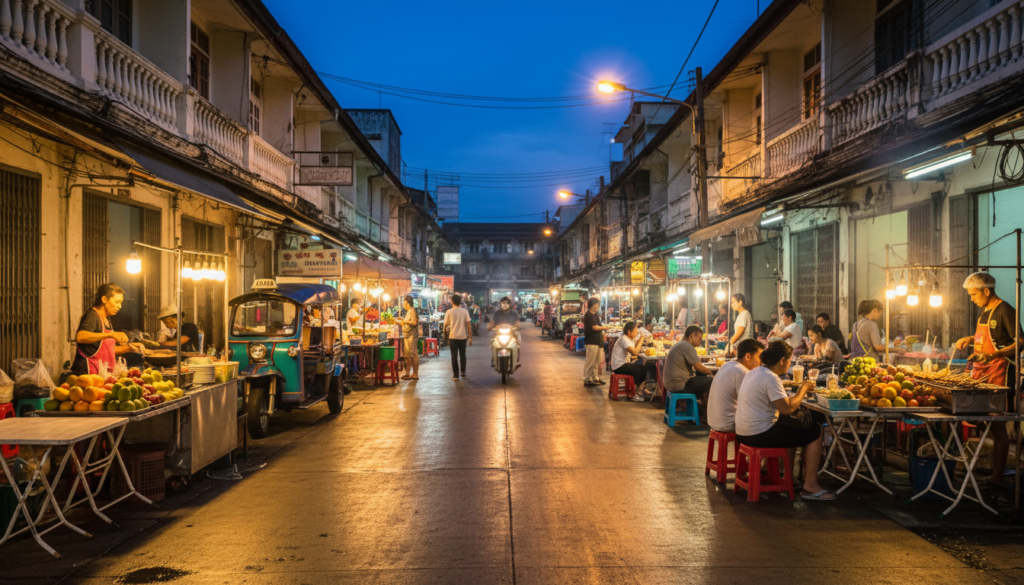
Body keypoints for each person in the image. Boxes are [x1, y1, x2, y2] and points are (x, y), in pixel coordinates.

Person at [735, 341, 833, 500]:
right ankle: (811, 485)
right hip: (758, 434)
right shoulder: (770, 378)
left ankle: (786, 477)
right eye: (790, 360)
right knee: (815, 431)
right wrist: (804, 388)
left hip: (743, 432)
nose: (790, 364)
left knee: (791, 427)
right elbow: (787, 409)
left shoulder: (755, 372)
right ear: (782, 360)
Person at [954, 272, 1023, 488]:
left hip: (1000, 377)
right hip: (982, 375)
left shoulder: (1005, 311)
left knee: (997, 426)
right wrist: (969, 338)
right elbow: (987, 339)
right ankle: (992, 471)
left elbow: (1020, 342)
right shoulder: (985, 311)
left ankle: (997, 476)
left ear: (986, 291)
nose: (971, 298)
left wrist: (994, 355)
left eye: (973, 294)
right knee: (988, 424)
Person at [72, 283, 144, 375]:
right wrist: (111, 334)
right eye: (117, 302)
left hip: (102, 374)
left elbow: (106, 351)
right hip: (88, 374)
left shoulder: (106, 319)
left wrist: (129, 348)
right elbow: (80, 337)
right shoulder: (92, 316)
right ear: (104, 299)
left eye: (121, 303)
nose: (120, 306)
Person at [708, 339, 764, 433]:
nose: (761, 362)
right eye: (759, 357)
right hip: (728, 424)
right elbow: (750, 403)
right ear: (747, 356)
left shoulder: (728, 365)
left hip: (714, 421)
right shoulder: (742, 372)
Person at [664, 325, 715, 401]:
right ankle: (706, 409)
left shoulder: (681, 344)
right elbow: (699, 367)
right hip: (680, 385)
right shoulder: (687, 346)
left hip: (671, 384)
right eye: (699, 337)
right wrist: (713, 375)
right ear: (691, 336)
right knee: (712, 381)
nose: (700, 340)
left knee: (703, 377)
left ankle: (699, 407)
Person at [609, 321, 646, 401]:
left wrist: (639, 339)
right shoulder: (624, 339)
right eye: (635, 331)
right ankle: (634, 393)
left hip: (622, 364)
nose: (637, 333)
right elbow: (635, 353)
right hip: (619, 366)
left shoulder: (627, 339)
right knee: (642, 369)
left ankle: (638, 390)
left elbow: (634, 348)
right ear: (629, 331)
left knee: (642, 365)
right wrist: (642, 339)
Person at [443, 294, 473, 380]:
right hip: (463, 337)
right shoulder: (464, 311)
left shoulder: (449, 312)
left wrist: (445, 335)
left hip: (453, 337)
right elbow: (468, 325)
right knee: (463, 354)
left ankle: (455, 375)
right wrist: (470, 337)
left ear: (452, 301)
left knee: (454, 355)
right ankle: (463, 372)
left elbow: (445, 324)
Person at [582, 297, 609, 386]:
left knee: (596, 362)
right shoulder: (589, 315)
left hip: (597, 341)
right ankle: (587, 379)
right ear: (593, 305)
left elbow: (599, 326)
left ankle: (595, 378)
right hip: (591, 341)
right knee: (590, 362)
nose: (598, 306)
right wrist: (606, 328)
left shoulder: (595, 314)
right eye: (597, 304)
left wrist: (604, 331)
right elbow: (595, 327)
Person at [488, 297, 521, 367]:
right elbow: (492, 322)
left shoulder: (514, 314)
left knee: (518, 340)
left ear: (509, 305)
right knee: (492, 341)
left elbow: (517, 323)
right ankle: (493, 358)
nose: (505, 305)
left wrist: (517, 326)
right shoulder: (496, 314)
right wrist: (490, 326)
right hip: (498, 333)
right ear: (500, 304)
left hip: (512, 333)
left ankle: (517, 358)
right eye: (503, 303)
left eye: (507, 303)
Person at [400, 296, 420, 381]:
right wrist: (401, 321)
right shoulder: (409, 312)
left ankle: (415, 374)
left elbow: (414, 322)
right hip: (407, 335)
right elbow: (408, 323)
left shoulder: (412, 310)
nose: (403, 304)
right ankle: (408, 373)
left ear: (407, 303)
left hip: (412, 335)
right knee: (408, 355)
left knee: (413, 353)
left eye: (404, 302)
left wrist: (404, 321)